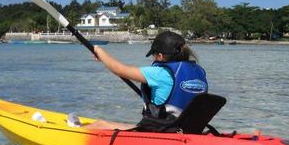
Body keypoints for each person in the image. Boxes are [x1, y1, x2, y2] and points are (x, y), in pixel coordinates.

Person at [72, 31, 208, 130]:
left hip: (161, 132)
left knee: (99, 125)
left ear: (160, 56)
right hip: (185, 131)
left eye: (153, 55)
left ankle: (73, 132)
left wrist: (99, 51)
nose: (152, 59)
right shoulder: (199, 72)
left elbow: (119, 69)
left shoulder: (160, 73)